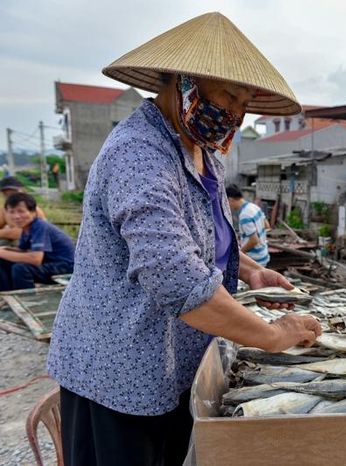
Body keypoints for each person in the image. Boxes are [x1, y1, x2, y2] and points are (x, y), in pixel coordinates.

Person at [47, 12, 320, 466]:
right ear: (182, 81)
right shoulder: (139, 153)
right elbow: (175, 278)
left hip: (177, 363)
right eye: (230, 94)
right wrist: (273, 336)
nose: (237, 111)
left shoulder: (202, 150)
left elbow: (197, 235)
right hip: (119, 371)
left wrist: (250, 271)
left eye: (246, 100)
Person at [0, 192, 74, 290]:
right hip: (47, 262)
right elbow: (24, 251)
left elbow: (35, 259)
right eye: (12, 212)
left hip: (64, 266)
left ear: (33, 212)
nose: (16, 216)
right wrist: (7, 249)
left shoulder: (40, 226)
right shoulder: (25, 229)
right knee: (3, 261)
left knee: (20, 269)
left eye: (21, 211)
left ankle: (28, 299)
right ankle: (7, 295)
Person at [226, 184, 270, 266]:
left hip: (255, 260)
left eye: (227, 202)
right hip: (264, 254)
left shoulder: (244, 215)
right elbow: (267, 225)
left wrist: (239, 254)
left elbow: (254, 240)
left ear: (230, 199)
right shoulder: (254, 206)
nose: (228, 206)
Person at [0, 176, 47, 245]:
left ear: (22, 190)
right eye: (6, 193)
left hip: (36, 243)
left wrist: (5, 232)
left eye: (13, 192)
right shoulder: (5, 210)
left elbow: (20, 233)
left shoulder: (31, 208)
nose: (10, 195)